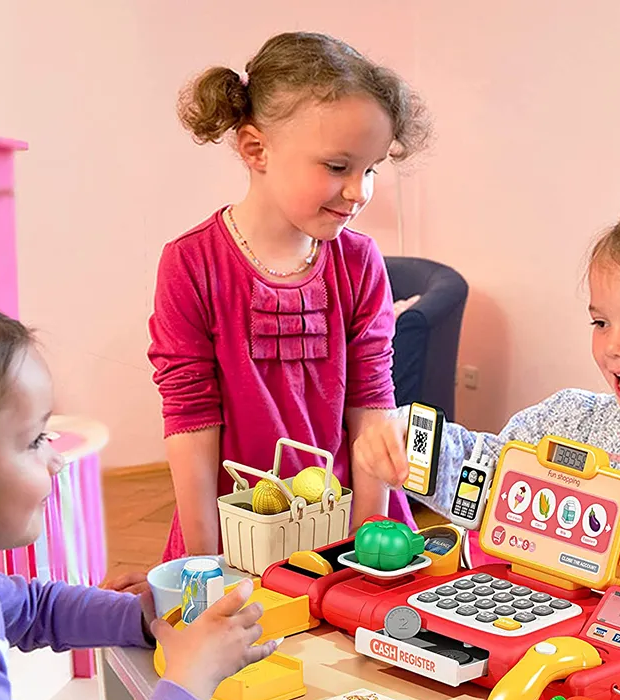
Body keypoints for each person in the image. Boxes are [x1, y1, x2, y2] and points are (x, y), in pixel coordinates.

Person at [354, 199, 620, 631]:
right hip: (570, 659)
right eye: (600, 322)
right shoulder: (570, 422)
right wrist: (406, 439)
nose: (613, 346)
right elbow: (482, 475)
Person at [0, 299, 276, 700]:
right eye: (36, 439)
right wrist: (191, 679)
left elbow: (37, 607)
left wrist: (146, 618)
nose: (56, 460)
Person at [148, 31, 431, 561]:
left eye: (370, 169)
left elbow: (371, 404)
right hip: (236, 532)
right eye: (337, 166)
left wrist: (365, 551)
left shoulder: (359, 261)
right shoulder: (191, 263)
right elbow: (190, 420)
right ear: (256, 149)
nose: (359, 192)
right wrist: (207, 564)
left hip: (347, 521)